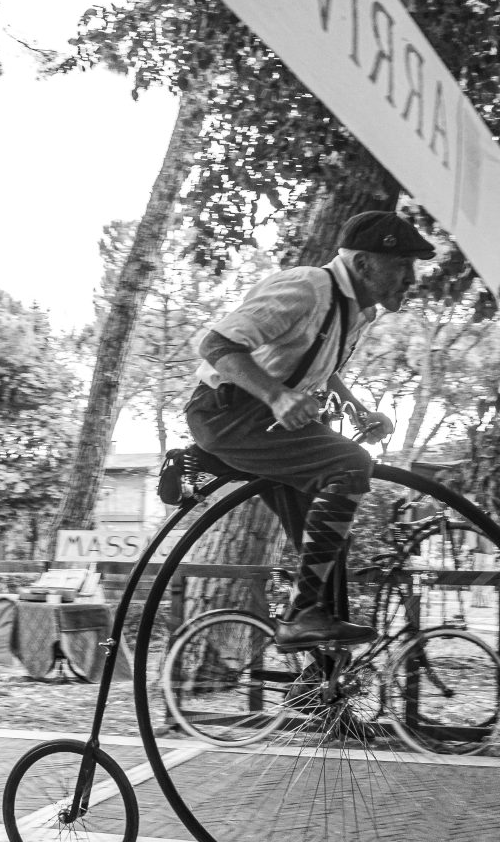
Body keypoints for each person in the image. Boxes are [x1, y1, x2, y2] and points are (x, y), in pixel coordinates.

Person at [186, 209, 435, 651]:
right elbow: (217, 343)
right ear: (363, 264)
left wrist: (357, 410)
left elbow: (319, 366)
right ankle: (300, 616)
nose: (410, 278)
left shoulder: (356, 312)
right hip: (228, 414)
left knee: (327, 544)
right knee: (350, 464)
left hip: (264, 421)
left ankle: (322, 678)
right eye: (401, 265)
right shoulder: (307, 287)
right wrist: (277, 397)